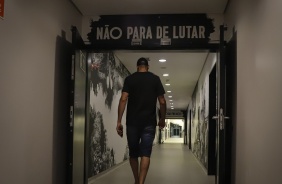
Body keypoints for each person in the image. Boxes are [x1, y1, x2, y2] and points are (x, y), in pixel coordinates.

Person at [116, 57, 167, 184]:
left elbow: (123, 99)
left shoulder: (130, 79)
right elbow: (162, 101)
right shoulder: (155, 79)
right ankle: (141, 182)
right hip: (149, 123)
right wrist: (162, 119)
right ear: (148, 67)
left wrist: (118, 121)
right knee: (146, 153)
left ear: (137, 66)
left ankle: (136, 180)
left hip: (132, 122)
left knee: (133, 153)